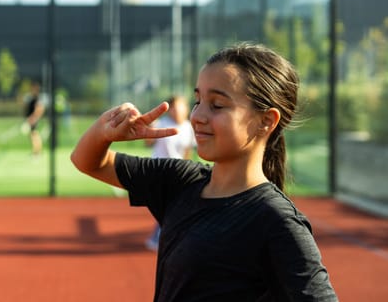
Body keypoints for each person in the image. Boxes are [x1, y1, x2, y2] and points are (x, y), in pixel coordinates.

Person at [71, 43, 338, 301]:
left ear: (266, 121)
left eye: (217, 105)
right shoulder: (179, 180)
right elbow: (88, 161)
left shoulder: (277, 221)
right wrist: (105, 131)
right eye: (197, 100)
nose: (197, 115)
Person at [144, 95, 196, 251]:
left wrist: (188, 169)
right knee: (169, 207)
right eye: (173, 108)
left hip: (178, 173)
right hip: (159, 171)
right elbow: (147, 143)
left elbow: (187, 151)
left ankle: (158, 237)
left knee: (174, 207)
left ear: (186, 109)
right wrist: (149, 129)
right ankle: (158, 238)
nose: (177, 111)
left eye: (180, 107)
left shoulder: (189, 127)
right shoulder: (161, 124)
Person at [22, 82, 45, 156]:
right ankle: (36, 151)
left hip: (34, 120)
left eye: (33, 89)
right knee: (32, 135)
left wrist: (33, 118)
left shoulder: (37, 99)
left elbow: (40, 109)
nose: (32, 90)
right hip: (31, 120)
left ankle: (37, 152)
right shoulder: (32, 98)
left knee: (34, 135)